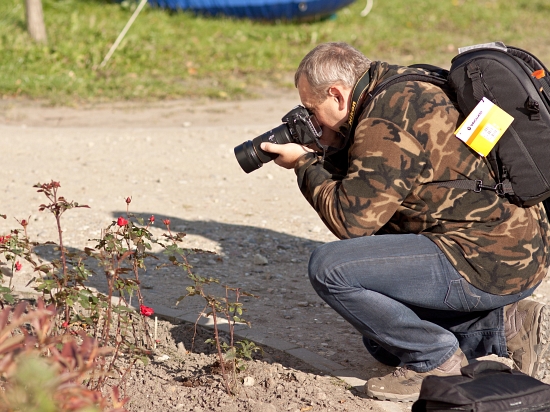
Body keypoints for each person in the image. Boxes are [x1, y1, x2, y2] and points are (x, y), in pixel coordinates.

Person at [260, 42, 550, 402]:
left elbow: (351, 222)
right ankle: (503, 328)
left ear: (336, 94)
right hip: (521, 251)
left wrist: (304, 164)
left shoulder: (383, 121)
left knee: (330, 268)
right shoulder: (404, 83)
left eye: (311, 110)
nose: (311, 121)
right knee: (381, 340)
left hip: (488, 262)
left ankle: (435, 359)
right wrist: (329, 146)